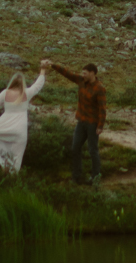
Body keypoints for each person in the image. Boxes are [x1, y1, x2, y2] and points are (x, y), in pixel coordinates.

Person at [0, 67, 47, 173]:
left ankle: (4, 171)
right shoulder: (27, 93)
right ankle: (12, 180)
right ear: (23, 83)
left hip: (5, 128)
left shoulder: (5, 93)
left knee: (3, 149)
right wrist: (42, 70)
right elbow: (38, 85)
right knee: (17, 158)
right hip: (20, 131)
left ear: (12, 82)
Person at [43, 58, 106, 186]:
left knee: (92, 150)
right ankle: (76, 177)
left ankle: (95, 177)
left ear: (93, 73)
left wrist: (100, 126)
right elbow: (67, 73)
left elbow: (102, 109)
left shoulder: (100, 88)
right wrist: (53, 64)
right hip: (81, 121)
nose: (83, 75)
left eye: (85, 73)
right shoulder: (81, 81)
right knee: (75, 148)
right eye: (82, 73)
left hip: (92, 123)